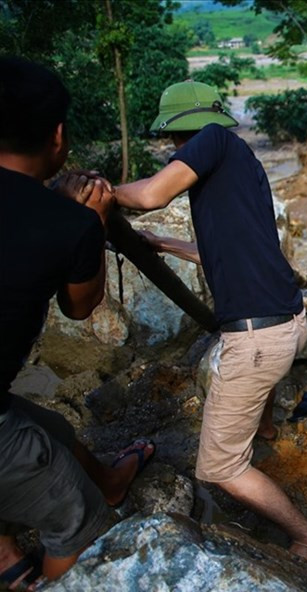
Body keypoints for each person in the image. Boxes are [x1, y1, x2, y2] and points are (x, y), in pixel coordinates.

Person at [114, 81, 307, 564]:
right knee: (242, 382)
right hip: (285, 321)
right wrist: (165, 244)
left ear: (186, 132)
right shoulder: (238, 163)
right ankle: (267, 431)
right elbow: (225, 252)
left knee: (218, 467)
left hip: (258, 339)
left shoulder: (209, 141)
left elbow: (151, 194)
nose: (175, 151)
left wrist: (101, 192)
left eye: (175, 143)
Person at [0, 57, 155, 588]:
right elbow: (80, 307)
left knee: (52, 431)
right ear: (58, 136)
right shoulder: (67, 222)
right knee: (79, 522)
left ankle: (110, 479)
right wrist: (87, 221)